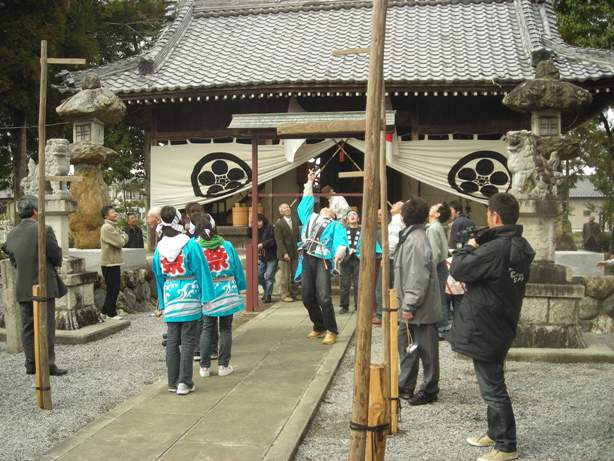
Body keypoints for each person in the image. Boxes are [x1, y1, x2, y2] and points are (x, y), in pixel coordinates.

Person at [449, 192, 535, 461]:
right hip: (502, 319)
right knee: (491, 380)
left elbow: (460, 269)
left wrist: (470, 246)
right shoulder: (519, 245)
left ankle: (507, 445)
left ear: (494, 216)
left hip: (487, 324)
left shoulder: (495, 249)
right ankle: (495, 432)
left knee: (493, 386)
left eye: (488, 214)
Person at [152, 206, 215, 395]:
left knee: (172, 339)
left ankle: (172, 382)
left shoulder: (159, 247)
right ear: (180, 221)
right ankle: (185, 382)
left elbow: (157, 274)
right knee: (188, 339)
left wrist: (162, 303)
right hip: (189, 293)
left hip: (170, 293)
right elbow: (201, 269)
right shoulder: (189, 244)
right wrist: (207, 297)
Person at [3, 196, 68, 376]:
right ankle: (47, 364)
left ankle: (31, 364)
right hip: (43, 284)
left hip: (23, 285)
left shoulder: (11, 234)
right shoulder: (43, 229)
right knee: (45, 326)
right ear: (34, 211)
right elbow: (55, 256)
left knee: (28, 327)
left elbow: (13, 260)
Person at [394, 196, 442, 406]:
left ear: (405, 217)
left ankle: (430, 388)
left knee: (426, 349)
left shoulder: (415, 240)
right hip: (413, 306)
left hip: (417, 308)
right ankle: (406, 384)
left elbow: (417, 276)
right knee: (408, 345)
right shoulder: (414, 237)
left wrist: (409, 305)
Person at [192, 213, 246, 378]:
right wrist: (242, 287)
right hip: (227, 289)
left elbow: (193, 270)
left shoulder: (195, 246)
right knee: (225, 328)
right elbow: (237, 267)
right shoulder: (227, 245)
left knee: (207, 328)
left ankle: (204, 368)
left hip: (208, 291)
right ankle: (224, 366)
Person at [296, 169, 348, 345]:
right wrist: (310, 183)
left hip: (323, 260)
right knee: (306, 296)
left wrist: (340, 250)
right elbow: (305, 203)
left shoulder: (335, 225)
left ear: (334, 215)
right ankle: (319, 326)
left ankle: (332, 330)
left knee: (324, 296)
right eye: (325, 208)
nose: (326, 209)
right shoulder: (310, 217)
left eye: (330, 210)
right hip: (307, 257)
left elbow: (341, 241)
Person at [374, 201, 405, 324]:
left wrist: (385, 256)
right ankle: (389, 313)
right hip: (394, 257)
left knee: (382, 286)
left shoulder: (397, 220)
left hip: (391, 258)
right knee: (392, 286)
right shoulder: (396, 220)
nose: (394, 205)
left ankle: (382, 314)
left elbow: (392, 242)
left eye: (397, 204)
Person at [426, 202, 452, 338]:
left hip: (437, 266)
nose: (431, 207)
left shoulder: (433, 228)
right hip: (441, 265)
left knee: (438, 297)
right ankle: (443, 326)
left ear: (437, 214)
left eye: (434, 207)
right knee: (440, 296)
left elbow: (434, 255)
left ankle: (442, 328)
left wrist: (429, 271)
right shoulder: (437, 227)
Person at [100, 206, 128, 320]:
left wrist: (123, 236)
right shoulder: (107, 228)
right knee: (113, 289)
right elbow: (121, 242)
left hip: (114, 262)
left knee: (113, 289)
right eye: (112, 212)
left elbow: (123, 236)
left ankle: (104, 312)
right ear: (106, 216)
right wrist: (124, 236)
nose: (115, 213)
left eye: (115, 211)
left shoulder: (113, 226)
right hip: (109, 263)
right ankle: (111, 313)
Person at [274, 203, 300, 302]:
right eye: (284, 208)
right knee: (284, 276)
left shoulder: (295, 221)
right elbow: (279, 240)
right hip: (284, 253)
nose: (287, 209)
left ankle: (294, 293)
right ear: (281, 212)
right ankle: (284, 294)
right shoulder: (279, 223)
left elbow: (298, 237)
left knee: (295, 274)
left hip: (295, 252)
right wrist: (284, 253)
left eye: (288, 207)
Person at [339, 210, 361, 314]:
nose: (352, 216)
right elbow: (339, 243)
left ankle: (359, 305)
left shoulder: (363, 230)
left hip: (358, 260)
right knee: (345, 284)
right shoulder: (342, 231)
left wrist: (357, 250)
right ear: (347, 220)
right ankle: (344, 306)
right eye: (350, 215)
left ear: (358, 218)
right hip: (345, 260)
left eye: (354, 214)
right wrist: (347, 250)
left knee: (358, 284)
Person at [257, 214, 277, 304]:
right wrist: (250, 224)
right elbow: (249, 235)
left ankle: (268, 295)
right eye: (256, 221)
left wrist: (263, 244)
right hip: (262, 256)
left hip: (271, 255)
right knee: (260, 275)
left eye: (259, 221)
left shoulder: (270, 227)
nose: (258, 223)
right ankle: (266, 291)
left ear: (263, 220)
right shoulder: (256, 229)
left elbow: (273, 241)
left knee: (268, 276)